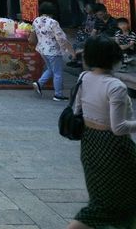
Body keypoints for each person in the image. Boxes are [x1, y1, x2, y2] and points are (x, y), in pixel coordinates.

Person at [68, 35, 136, 229]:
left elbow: (76, 110)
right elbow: (119, 127)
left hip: (90, 142)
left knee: (104, 196)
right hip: (114, 146)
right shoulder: (115, 86)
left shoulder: (84, 78)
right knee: (116, 199)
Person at [31, 1, 74, 101]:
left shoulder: (36, 21)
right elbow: (61, 38)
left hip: (42, 49)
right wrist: (70, 50)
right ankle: (58, 94)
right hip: (53, 50)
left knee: (51, 69)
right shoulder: (53, 22)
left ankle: (39, 83)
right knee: (57, 72)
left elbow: (34, 35)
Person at [70, 3, 97, 67]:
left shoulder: (96, 17)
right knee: (76, 43)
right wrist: (85, 29)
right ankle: (75, 59)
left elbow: (95, 29)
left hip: (93, 35)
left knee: (81, 43)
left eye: (87, 8)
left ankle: (79, 61)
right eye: (85, 8)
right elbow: (84, 25)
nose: (85, 9)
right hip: (86, 33)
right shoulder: (87, 16)